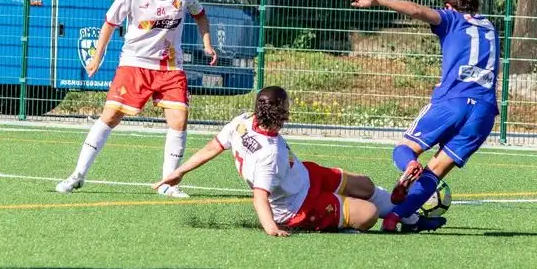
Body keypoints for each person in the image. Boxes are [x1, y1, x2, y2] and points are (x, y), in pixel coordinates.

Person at [55, 0, 217, 198]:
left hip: (170, 67)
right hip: (135, 64)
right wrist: (97, 57)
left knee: (179, 120)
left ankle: (168, 183)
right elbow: (109, 23)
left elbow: (200, 15)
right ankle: (77, 175)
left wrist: (207, 43)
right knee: (110, 117)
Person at [345, 0, 499, 233]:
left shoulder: (451, 18)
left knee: (405, 149)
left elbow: (416, 10)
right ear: (477, 6)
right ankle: (396, 218)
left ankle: (409, 166)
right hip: (484, 111)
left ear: (448, 6)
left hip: (452, 102)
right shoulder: (490, 27)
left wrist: (376, 0)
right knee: (436, 171)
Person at [154, 86, 400, 235]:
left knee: (365, 185)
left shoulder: (242, 121)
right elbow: (260, 197)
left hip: (305, 175)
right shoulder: (269, 154)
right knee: (369, 213)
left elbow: (213, 146)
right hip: (298, 206)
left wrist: (181, 171)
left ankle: (406, 213)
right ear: (281, 111)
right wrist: (271, 227)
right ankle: (350, 219)